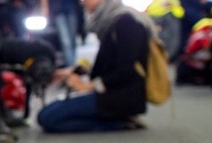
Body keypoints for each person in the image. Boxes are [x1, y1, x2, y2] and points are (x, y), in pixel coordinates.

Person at [36, 0, 152, 133]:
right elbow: (111, 64)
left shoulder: (126, 22)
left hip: (122, 96)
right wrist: (78, 71)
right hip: (111, 92)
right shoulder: (111, 20)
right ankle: (116, 120)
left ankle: (118, 123)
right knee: (48, 112)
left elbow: (126, 70)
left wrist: (88, 86)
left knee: (48, 118)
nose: (82, 2)